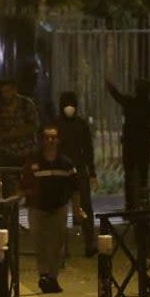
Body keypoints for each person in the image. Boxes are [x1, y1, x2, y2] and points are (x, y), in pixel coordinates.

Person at [20, 125, 86, 294]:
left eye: (53, 137)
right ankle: (43, 275)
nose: (50, 141)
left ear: (58, 140)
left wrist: (77, 210)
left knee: (57, 245)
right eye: (47, 137)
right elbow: (24, 184)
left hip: (58, 208)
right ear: (42, 140)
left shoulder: (66, 163)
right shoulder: (34, 162)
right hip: (37, 208)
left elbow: (75, 188)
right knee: (39, 243)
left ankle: (53, 277)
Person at [106, 77, 150, 210]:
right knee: (143, 176)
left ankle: (130, 205)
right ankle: (142, 203)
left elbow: (117, 96)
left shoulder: (131, 102)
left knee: (130, 175)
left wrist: (110, 86)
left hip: (130, 145)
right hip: (142, 145)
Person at [55, 91, 98, 256]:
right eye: (67, 103)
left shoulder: (81, 124)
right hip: (61, 171)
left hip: (79, 170)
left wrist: (92, 171)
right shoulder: (56, 124)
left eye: (71, 103)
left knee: (85, 207)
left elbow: (88, 149)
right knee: (60, 210)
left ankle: (89, 243)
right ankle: (62, 247)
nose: (69, 107)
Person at [0, 79, 40, 198]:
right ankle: (10, 215)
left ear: (15, 90)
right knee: (9, 190)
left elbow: (34, 126)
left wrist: (17, 133)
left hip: (26, 152)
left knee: (31, 187)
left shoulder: (26, 104)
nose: (6, 95)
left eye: (8, 91)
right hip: (8, 153)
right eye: (3, 92)